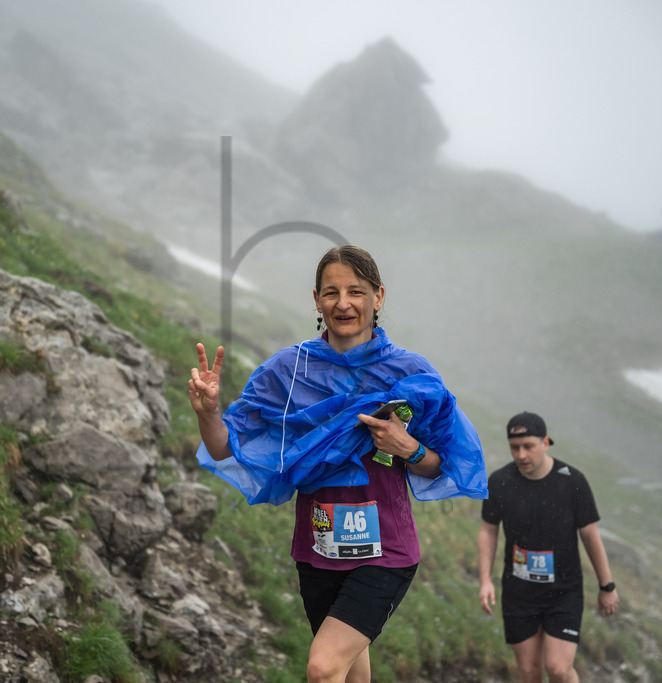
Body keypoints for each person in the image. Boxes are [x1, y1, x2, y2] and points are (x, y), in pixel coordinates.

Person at [188, 245, 487, 683]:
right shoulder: (287, 372)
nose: (343, 303)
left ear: (378, 297)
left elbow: (444, 465)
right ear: (316, 299)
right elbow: (222, 449)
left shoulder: (409, 373)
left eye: (356, 291)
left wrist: (407, 447)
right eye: (331, 292)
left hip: (386, 552)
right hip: (318, 549)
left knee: (323, 667)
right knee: (347, 673)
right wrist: (208, 411)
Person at [477, 411, 619, 683]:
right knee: (530, 673)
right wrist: (485, 580)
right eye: (515, 448)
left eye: (528, 446)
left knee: (558, 669)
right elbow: (488, 530)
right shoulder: (499, 482)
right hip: (519, 591)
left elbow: (590, 535)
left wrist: (607, 586)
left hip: (563, 591)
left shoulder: (572, 481)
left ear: (545, 442)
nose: (521, 455)